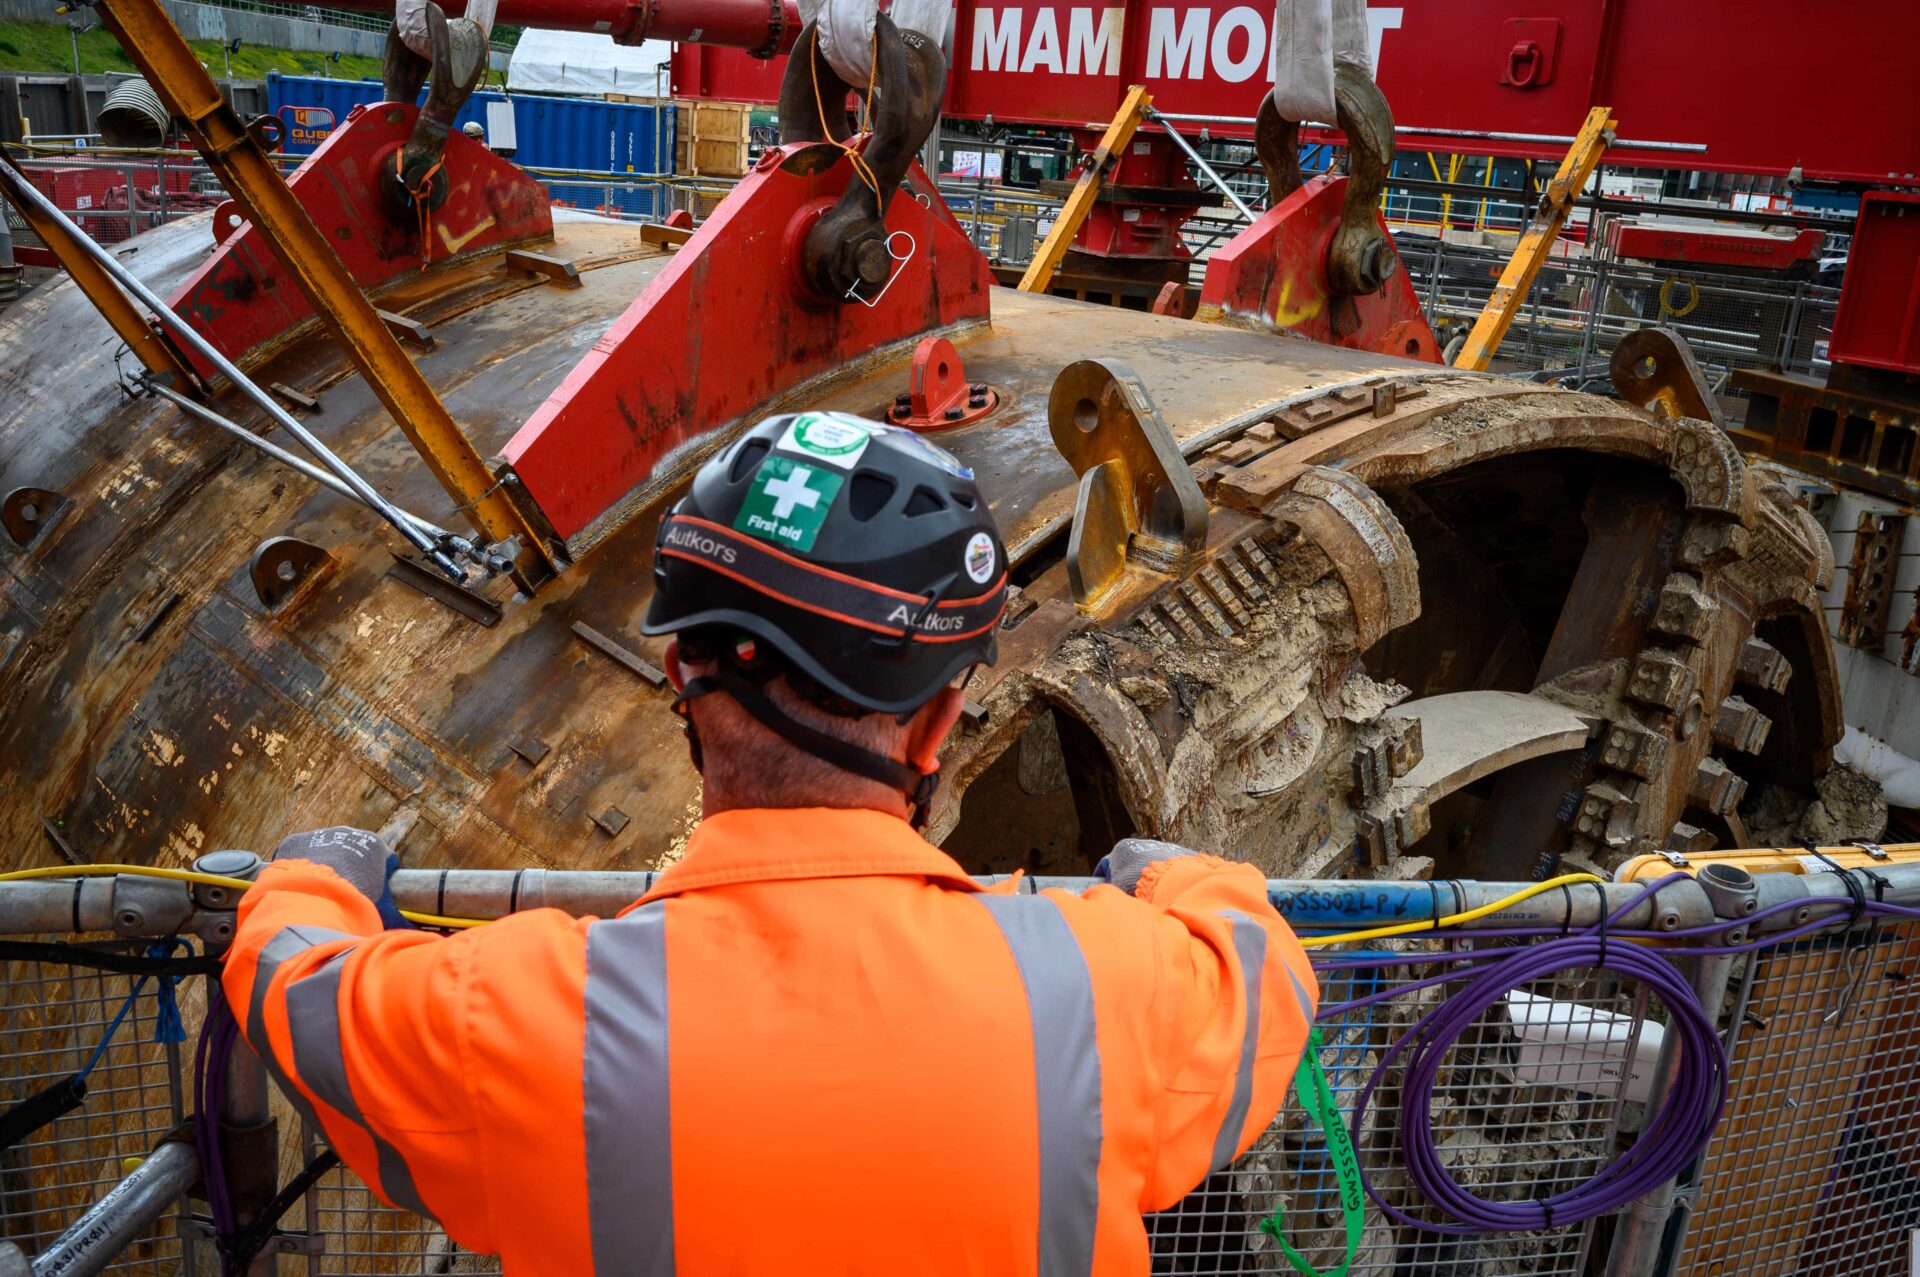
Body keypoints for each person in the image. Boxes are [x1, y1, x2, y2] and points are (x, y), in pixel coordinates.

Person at [221, 412, 1318, 1275]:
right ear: (937, 719)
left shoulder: (514, 1019)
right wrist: (1156, 873)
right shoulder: (1105, 984)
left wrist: (320, 869)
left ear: (678, 681)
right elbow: (1259, 958)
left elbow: (291, 980)